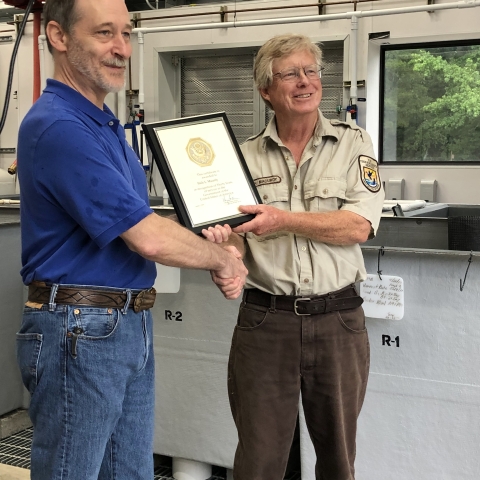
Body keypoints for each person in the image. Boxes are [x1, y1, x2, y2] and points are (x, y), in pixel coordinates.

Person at [15, 1, 247, 479]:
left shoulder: (105, 126)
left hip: (123, 323)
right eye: (104, 33)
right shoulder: (60, 125)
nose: (122, 48)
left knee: (130, 473)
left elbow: (136, 218)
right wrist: (219, 259)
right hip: (81, 329)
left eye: (127, 33)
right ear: (58, 35)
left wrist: (204, 225)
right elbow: (147, 238)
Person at [202, 34, 384, 480]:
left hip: (338, 319)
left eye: (311, 71)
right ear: (267, 91)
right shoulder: (239, 157)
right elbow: (237, 237)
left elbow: (358, 225)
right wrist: (225, 256)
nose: (305, 83)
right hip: (266, 322)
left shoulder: (354, 143)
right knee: (259, 462)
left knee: (338, 461)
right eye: (290, 75)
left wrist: (282, 220)